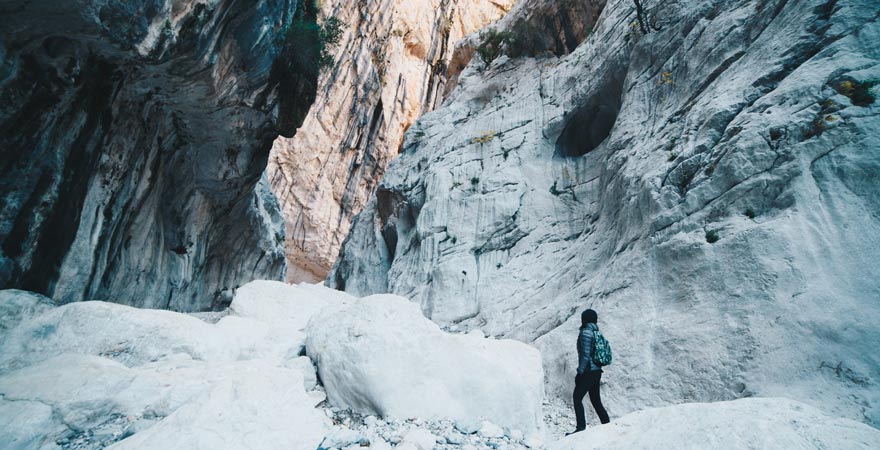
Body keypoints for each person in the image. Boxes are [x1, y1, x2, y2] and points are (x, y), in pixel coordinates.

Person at [569, 308, 610, 435]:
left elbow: (585, 356)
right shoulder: (595, 331)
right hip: (596, 371)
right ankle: (608, 426)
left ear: (584, 319)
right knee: (596, 400)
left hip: (589, 372)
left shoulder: (586, 333)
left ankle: (581, 428)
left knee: (577, 397)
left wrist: (579, 372)